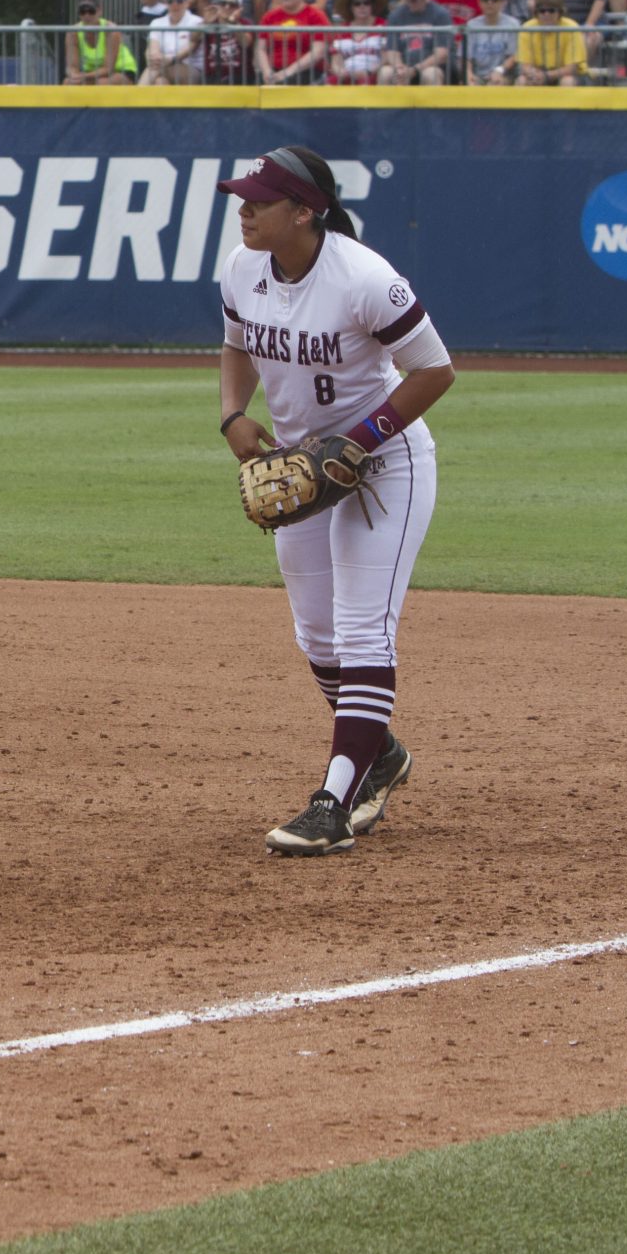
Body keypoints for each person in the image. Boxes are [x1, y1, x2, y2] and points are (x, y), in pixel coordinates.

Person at [217, 145, 454, 856]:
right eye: (243, 196)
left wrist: (358, 439)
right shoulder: (241, 268)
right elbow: (235, 344)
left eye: (261, 198)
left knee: (361, 631)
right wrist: (233, 414)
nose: (245, 208)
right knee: (317, 639)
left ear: (305, 211)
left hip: (384, 467)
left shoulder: (365, 277)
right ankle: (379, 752)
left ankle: (335, 800)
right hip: (300, 470)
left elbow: (434, 369)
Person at [518, 0, 593, 81]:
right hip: (539, 73)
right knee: (522, 80)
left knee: (567, 81)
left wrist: (546, 76)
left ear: (560, 12)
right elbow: (525, 65)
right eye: (542, 11)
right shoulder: (527, 28)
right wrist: (533, 74)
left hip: (572, 74)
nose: (546, 14)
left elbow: (571, 68)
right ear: (536, 13)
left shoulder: (571, 28)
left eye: (551, 10)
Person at [60, 0, 137, 84]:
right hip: (91, 74)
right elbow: (72, 66)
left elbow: (108, 69)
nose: (87, 15)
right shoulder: (73, 33)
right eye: (82, 11)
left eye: (91, 11)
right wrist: (73, 75)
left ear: (100, 11)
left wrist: (83, 76)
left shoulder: (111, 31)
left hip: (120, 71)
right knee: (67, 82)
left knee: (101, 84)